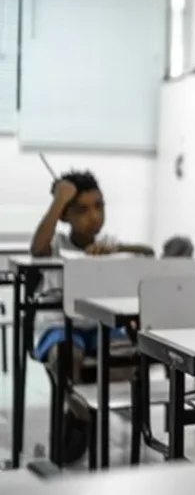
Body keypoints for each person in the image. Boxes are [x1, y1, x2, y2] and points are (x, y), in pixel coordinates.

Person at [28, 170, 153, 462]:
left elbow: (148, 253)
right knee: (66, 354)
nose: (93, 216)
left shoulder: (110, 242)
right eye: (82, 210)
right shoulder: (57, 244)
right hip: (60, 326)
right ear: (64, 216)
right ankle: (81, 411)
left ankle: (87, 409)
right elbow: (37, 249)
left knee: (128, 358)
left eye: (99, 206)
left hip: (102, 326)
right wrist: (59, 199)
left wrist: (117, 250)